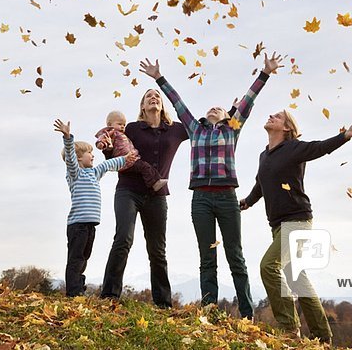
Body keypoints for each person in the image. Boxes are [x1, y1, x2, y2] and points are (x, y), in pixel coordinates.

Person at [140, 53, 284, 319]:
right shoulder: (195, 129)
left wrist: (265, 73)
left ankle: (246, 313)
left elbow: (248, 101)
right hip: (201, 200)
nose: (213, 109)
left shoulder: (232, 129)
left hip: (228, 197)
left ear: (226, 115)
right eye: (211, 108)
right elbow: (177, 103)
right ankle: (210, 311)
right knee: (207, 258)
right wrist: (159, 77)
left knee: (235, 257)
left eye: (219, 108)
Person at [240, 111, 352, 342]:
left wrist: (345, 136)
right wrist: (247, 202)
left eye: (278, 116)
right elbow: (260, 184)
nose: (271, 115)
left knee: (268, 266)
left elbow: (319, 148)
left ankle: (290, 327)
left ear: (286, 128)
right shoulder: (264, 155)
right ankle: (323, 337)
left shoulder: (294, 148)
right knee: (295, 278)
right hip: (278, 225)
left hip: (298, 222)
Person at [100, 89, 188, 306]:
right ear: (142, 106)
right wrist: (106, 149)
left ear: (162, 105)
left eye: (157, 95)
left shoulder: (175, 130)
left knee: (157, 250)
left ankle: (163, 304)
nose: (153, 97)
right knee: (123, 239)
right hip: (128, 190)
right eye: (149, 96)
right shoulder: (131, 129)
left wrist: (228, 114)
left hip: (157, 196)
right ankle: (109, 296)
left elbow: (197, 127)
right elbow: (116, 151)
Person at [53, 118, 137, 297]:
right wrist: (68, 137)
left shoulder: (93, 172)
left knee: (84, 258)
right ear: (78, 158)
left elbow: (108, 164)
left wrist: (124, 158)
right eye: (89, 153)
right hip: (78, 225)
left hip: (91, 225)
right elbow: (70, 156)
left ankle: (79, 287)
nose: (93, 155)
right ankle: (73, 292)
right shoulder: (74, 173)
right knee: (75, 259)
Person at [95, 110, 168, 192]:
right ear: (109, 124)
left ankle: (153, 182)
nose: (123, 126)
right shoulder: (111, 132)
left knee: (143, 167)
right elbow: (102, 138)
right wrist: (100, 144)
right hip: (125, 160)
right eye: (119, 124)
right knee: (145, 167)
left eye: (124, 125)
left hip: (129, 160)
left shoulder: (122, 134)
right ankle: (154, 183)